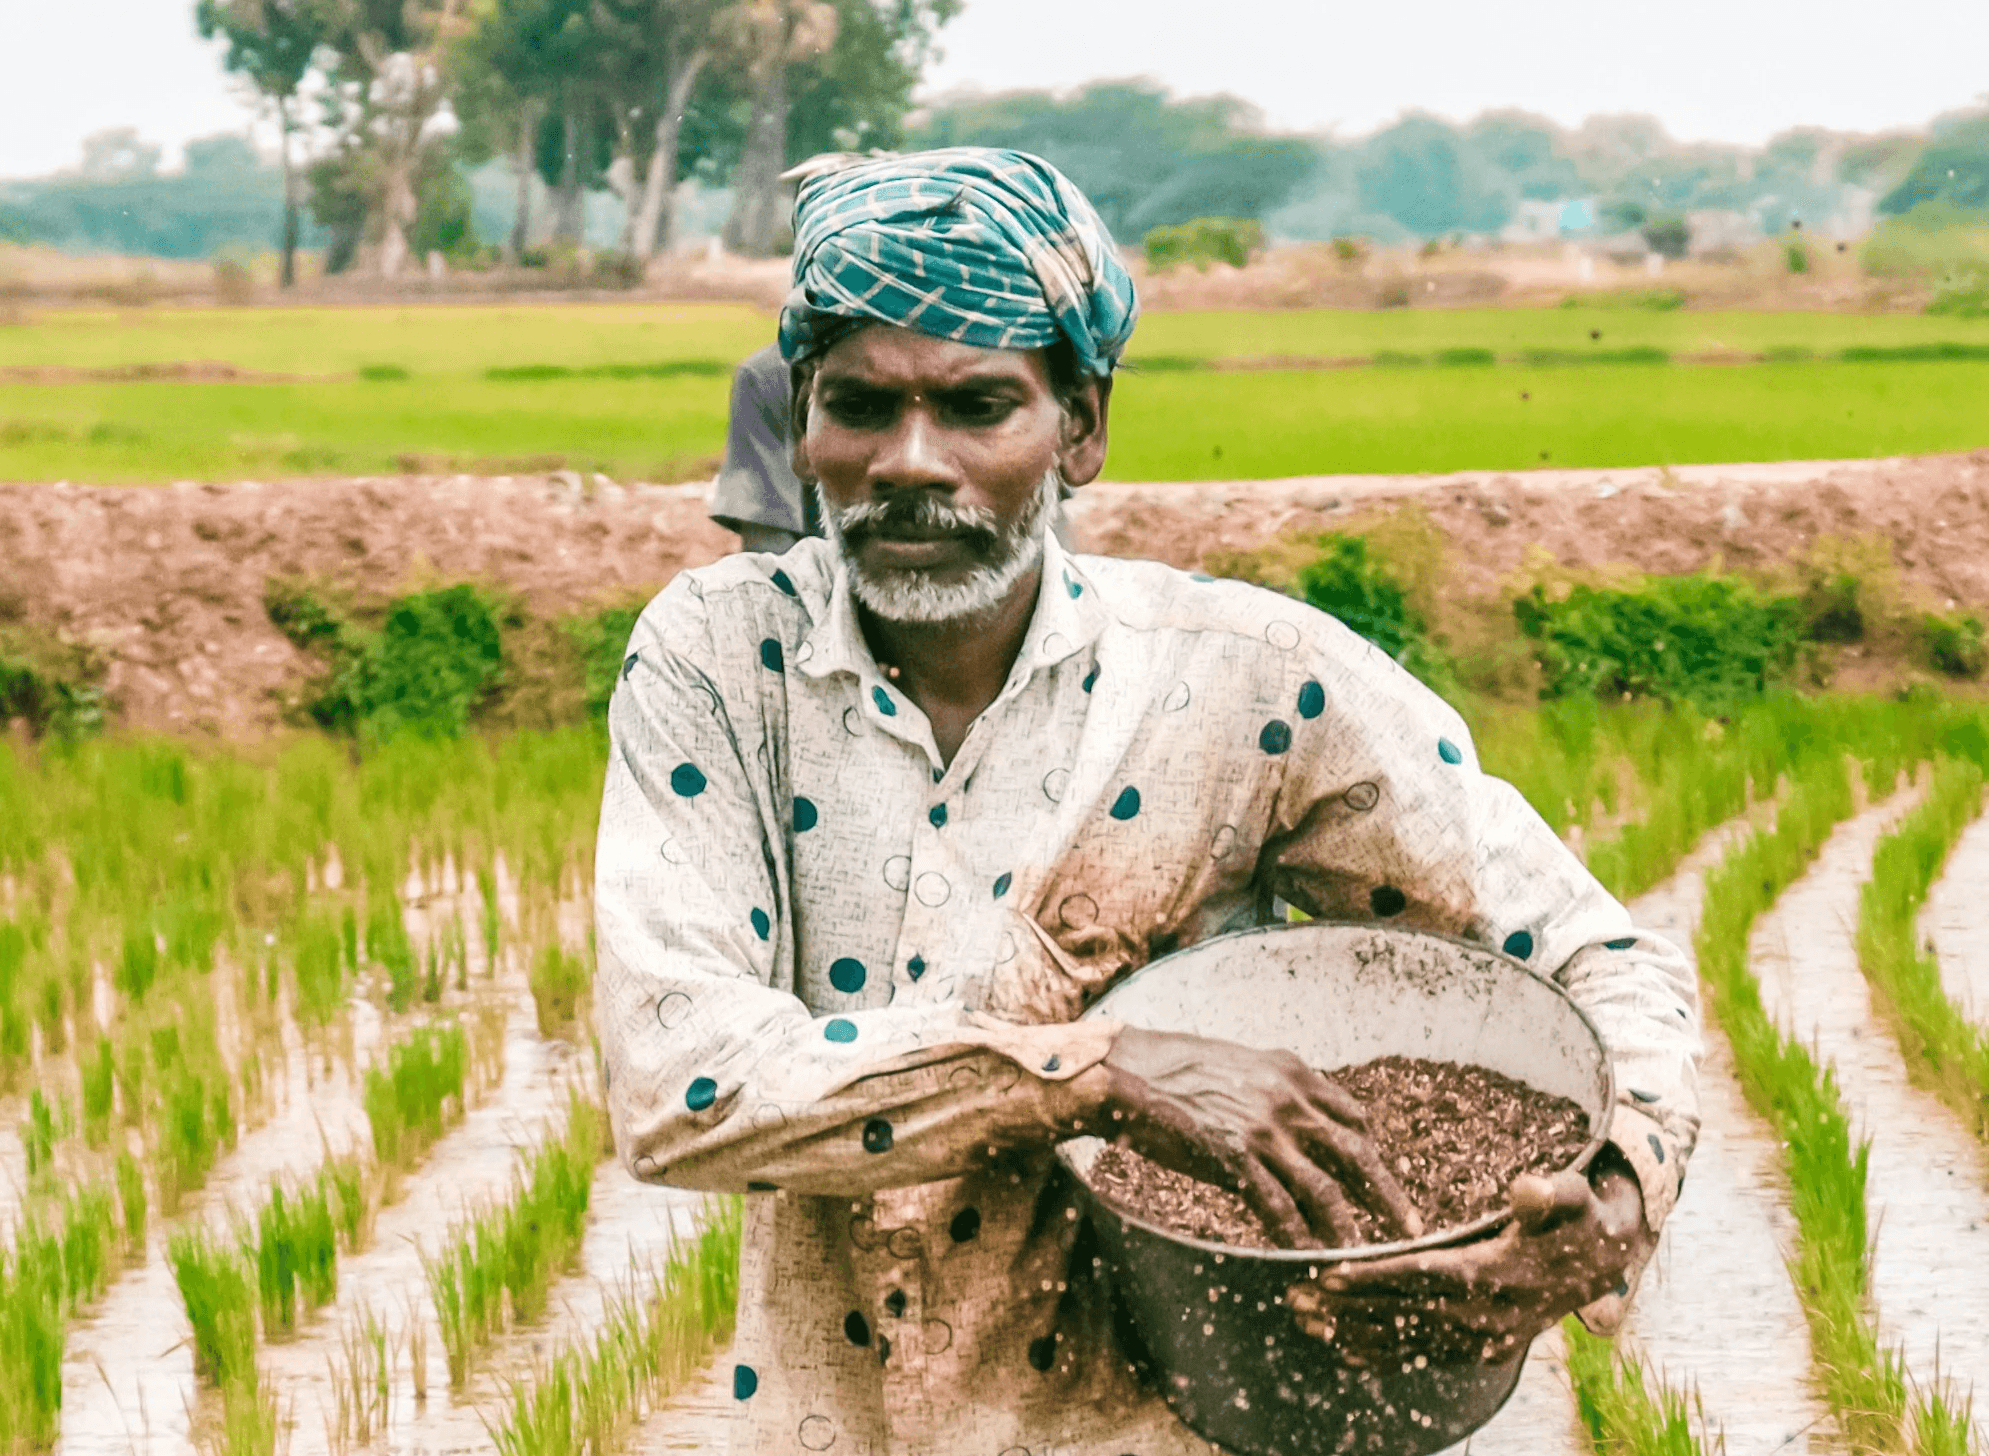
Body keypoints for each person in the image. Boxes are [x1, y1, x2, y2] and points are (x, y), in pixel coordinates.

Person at [596, 148, 1698, 1456]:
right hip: (823, 1420)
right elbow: (678, 1083)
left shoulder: (1248, 683)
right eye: (857, 405)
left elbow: (1595, 956)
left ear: (1084, 427)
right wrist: (1092, 1072)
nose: (910, 461)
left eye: (978, 406)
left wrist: (1612, 1207)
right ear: (800, 423)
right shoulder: (719, 661)